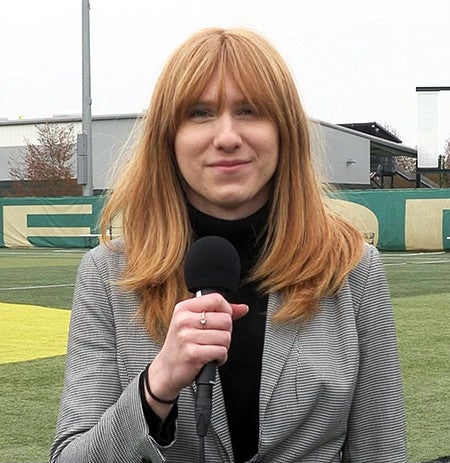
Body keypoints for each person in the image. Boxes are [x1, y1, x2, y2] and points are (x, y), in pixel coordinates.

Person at [50, 28, 406, 463]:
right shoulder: (107, 274)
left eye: (250, 111)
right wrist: (157, 385)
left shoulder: (352, 269)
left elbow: (382, 452)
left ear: (284, 130)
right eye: (200, 113)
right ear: (169, 137)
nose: (227, 136)